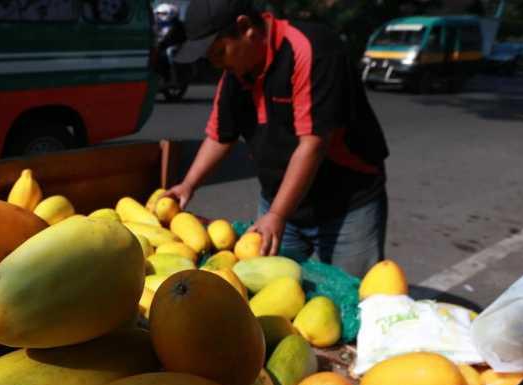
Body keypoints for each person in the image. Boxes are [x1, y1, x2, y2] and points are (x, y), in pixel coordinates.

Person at [162, 0, 390, 278]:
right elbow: (220, 136)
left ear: (246, 28)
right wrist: (188, 185)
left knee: (354, 298)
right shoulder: (234, 74)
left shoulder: (311, 49)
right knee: (270, 293)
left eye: (219, 52)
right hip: (279, 202)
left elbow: (313, 143)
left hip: (347, 207)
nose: (216, 64)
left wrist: (277, 216)